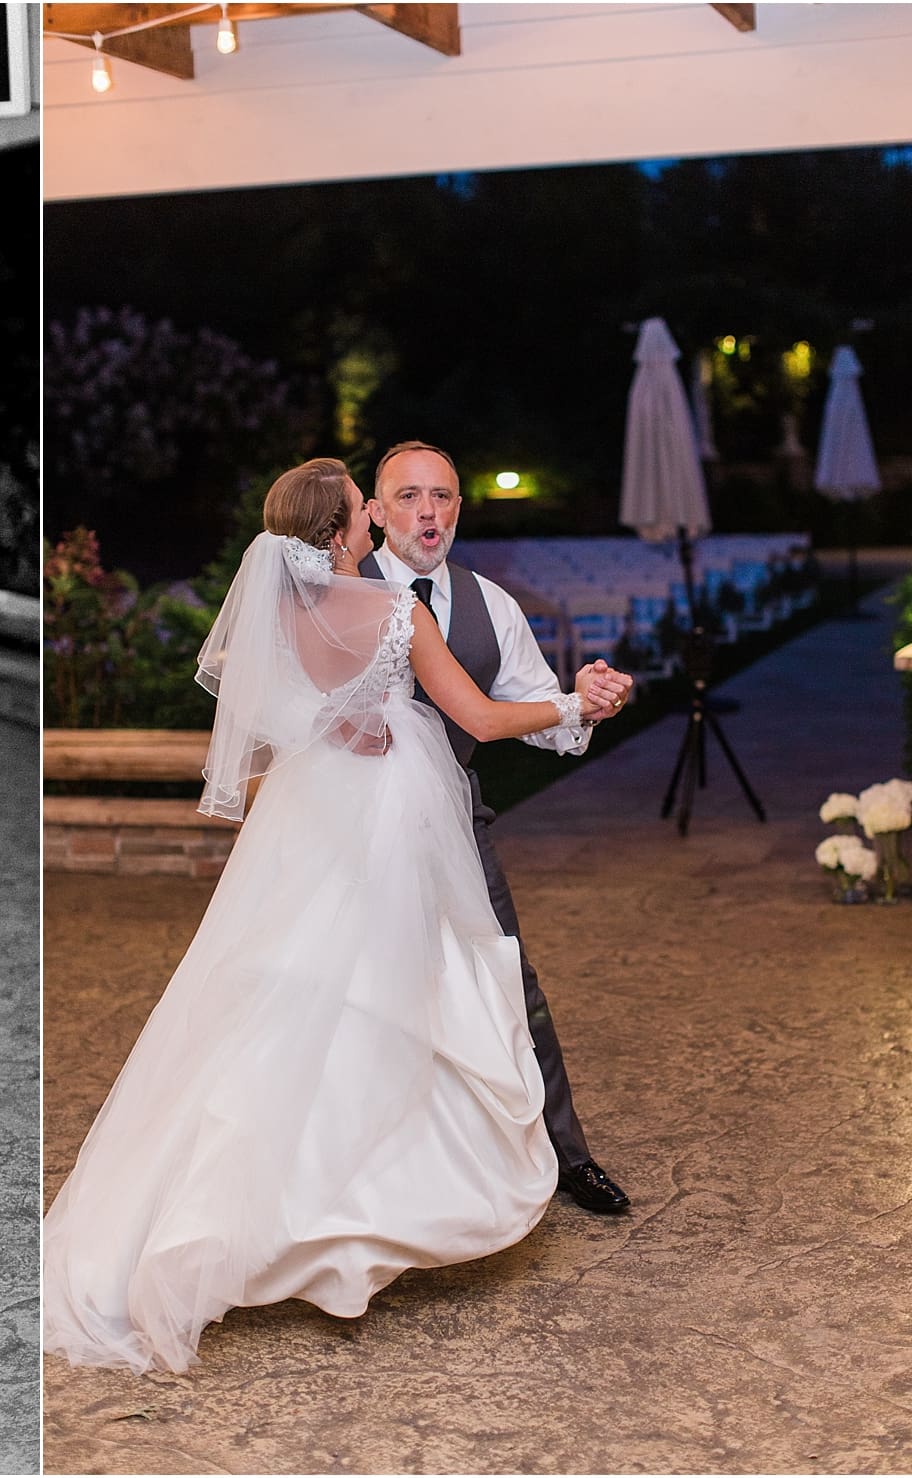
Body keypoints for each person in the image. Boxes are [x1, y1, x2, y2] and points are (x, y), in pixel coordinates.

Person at [43, 459, 596, 1374]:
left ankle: (221, 1215)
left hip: (306, 824)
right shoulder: (394, 612)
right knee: (398, 989)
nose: (375, 527)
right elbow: (485, 722)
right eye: (360, 516)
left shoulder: (277, 616)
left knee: (283, 995)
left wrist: (335, 724)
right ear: (345, 531)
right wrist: (578, 701)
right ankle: (364, 1209)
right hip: (388, 823)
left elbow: (278, 713)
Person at [364, 441, 632, 1214]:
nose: (428, 513)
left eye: (442, 497)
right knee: (363, 990)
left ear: (457, 510)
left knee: (508, 983)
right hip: (355, 833)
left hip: (454, 822)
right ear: (377, 513)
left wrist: (583, 698)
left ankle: (564, 1158)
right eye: (409, 497)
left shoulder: (490, 602)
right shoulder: (342, 593)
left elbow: (542, 719)